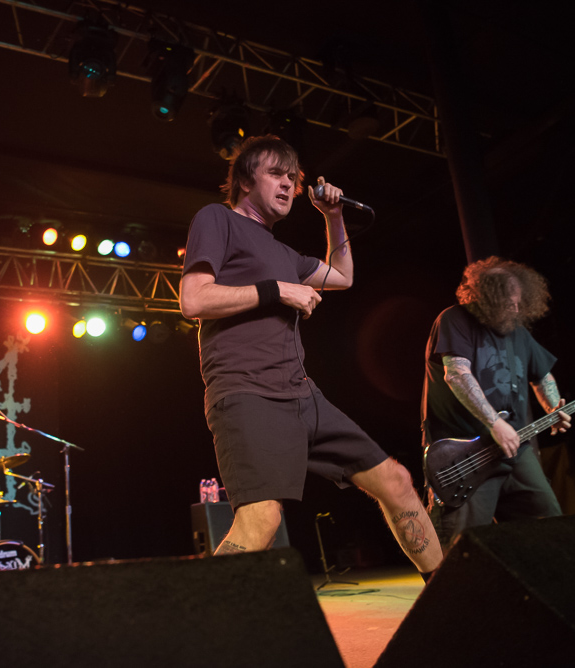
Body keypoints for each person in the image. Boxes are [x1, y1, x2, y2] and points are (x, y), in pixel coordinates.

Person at [180, 135, 442, 578]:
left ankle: (448, 593)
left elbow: (342, 276)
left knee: (396, 481)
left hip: (303, 396)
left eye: (292, 178)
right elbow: (194, 300)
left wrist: (333, 217)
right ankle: (196, 612)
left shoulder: (286, 255)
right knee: (261, 519)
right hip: (247, 393)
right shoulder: (217, 219)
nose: (288, 185)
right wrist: (277, 290)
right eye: (275, 174)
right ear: (245, 180)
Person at [421, 257, 571, 553]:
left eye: (519, 302)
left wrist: (554, 408)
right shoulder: (454, 319)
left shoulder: (519, 332)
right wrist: (494, 422)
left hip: (515, 450)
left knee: (550, 529)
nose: (516, 309)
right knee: (461, 549)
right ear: (485, 300)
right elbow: (457, 374)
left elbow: (542, 376)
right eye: (508, 303)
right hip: (464, 454)